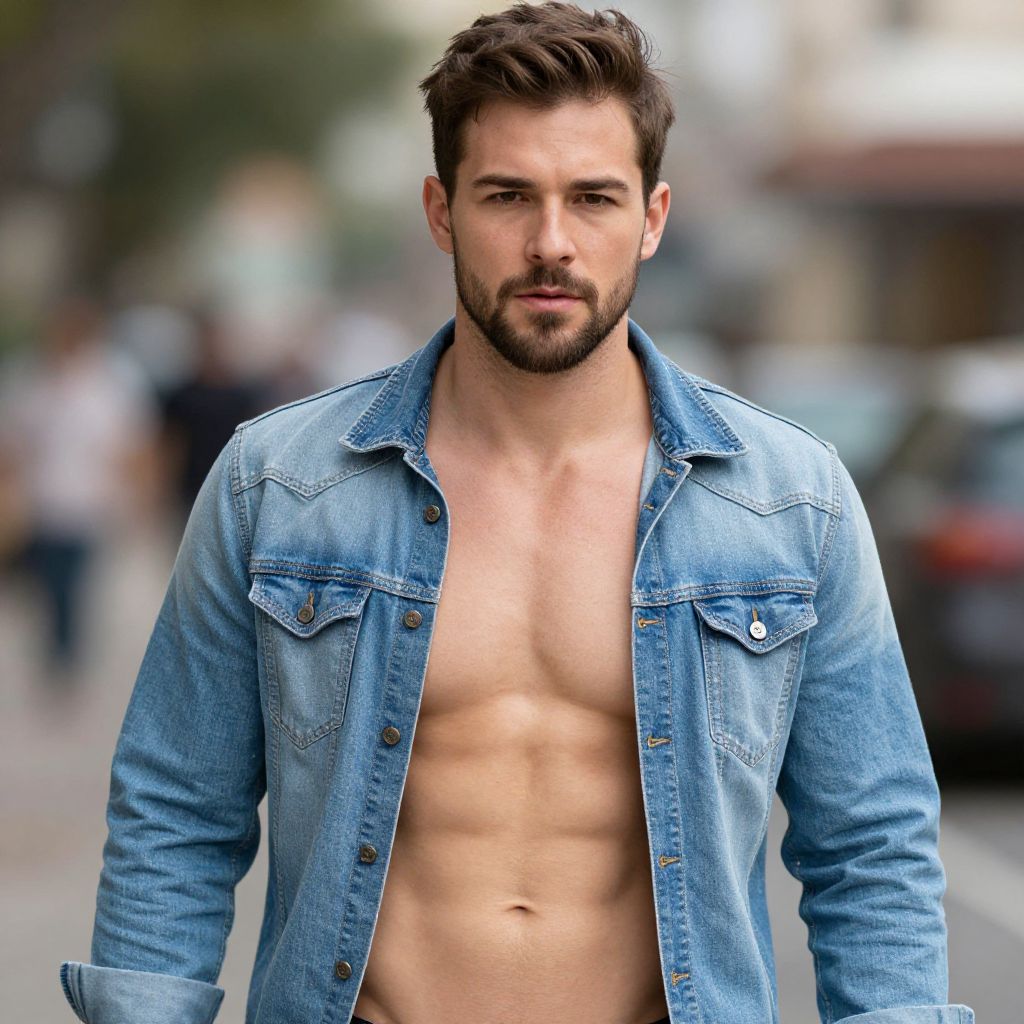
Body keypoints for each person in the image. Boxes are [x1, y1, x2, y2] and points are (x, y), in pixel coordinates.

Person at [59, 4, 975, 1023]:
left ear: (654, 215)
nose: (551, 243)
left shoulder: (788, 501)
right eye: (507, 195)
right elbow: (177, 814)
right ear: (441, 210)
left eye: (593, 198)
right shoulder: (277, 485)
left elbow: (870, 845)